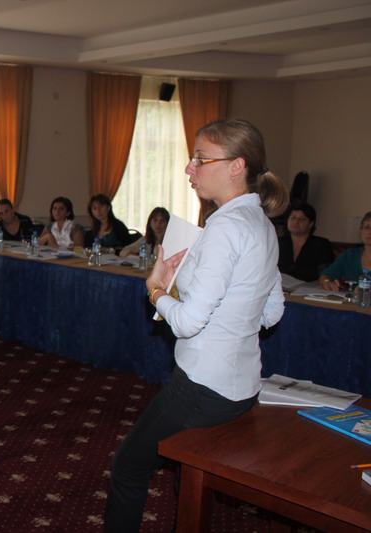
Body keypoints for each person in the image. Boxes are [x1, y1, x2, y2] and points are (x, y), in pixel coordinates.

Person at [103, 118, 288, 532]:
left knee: (128, 467)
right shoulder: (261, 223)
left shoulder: (225, 227)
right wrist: (229, 313)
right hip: (243, 386)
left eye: (201, 159)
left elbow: (187, 324)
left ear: (237, 166)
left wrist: (156, 289)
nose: (190, 168)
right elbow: (271, 311)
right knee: (190, 475)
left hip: (203, 383)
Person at [277, 203, 333, 282]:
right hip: (281, 286)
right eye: (293, 218)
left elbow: (325, 272)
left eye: (302, 219)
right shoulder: (278, 242)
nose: (296, 222)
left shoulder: (322, 244)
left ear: (311, 224)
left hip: (311, 287)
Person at [319, 211, 371, 290]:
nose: (370, 232)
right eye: (367, 227)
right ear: (361, 231)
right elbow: (325, 275)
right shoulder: (349, 255)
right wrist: (326, 281)